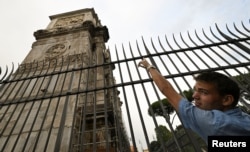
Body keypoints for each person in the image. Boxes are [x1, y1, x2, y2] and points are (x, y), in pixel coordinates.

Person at [138, 58, 250, 143]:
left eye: (203, 92)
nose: (194, 96)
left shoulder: (214, 121)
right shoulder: (244, 117)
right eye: (195, 90)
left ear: (226, 100)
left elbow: (167, 90)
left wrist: (148, 66)